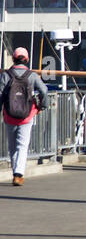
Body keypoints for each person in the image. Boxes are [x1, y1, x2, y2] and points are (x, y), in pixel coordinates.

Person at [1, 47, 48, 187]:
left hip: (9, 115)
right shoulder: (31, 75)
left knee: (12, 146)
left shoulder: (6, 75)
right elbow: (44, 91)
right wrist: (41, 106)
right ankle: (18, 174)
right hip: (27, 115)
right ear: (26, 59)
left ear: (14, 59)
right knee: (22, 145)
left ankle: (16, 171)